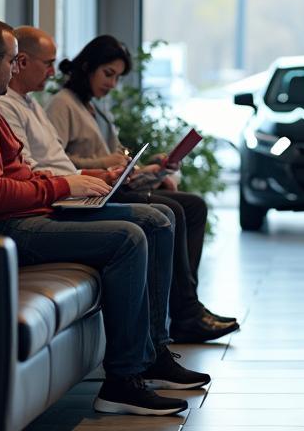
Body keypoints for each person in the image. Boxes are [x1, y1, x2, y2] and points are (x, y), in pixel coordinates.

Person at [0, 16, 200, 417]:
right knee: (128, 237)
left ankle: (150, 354)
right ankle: (123, 379)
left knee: (154, 220)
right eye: (13, 61)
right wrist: (65, 188)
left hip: (20, 214)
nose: (17, 69)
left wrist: (89, 178)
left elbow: (21, 174)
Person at [0, 25, 211, 389]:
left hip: (67, 191)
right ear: (10, 62)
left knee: (164, 215)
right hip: (53, 200)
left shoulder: (30, 104)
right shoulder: (11, 107)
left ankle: (155, 349)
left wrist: (97, 173)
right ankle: (137, 364)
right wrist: (77, 179)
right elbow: (19, 179)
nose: (53, 71)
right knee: (154, 221)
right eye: (46, 64)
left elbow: (53, 164)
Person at [45, 35, 239, 344]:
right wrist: (106, 161)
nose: (113, 83)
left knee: (193, 205)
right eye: (108, 74)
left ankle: (187, 308)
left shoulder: (94, 107)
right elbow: (57, 162)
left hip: (113, 186)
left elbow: (115, 162)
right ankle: (186, 313)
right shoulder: (63, 105)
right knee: (176, 209)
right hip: (92, 194)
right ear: (87, 67)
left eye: (118, 77)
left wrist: (151, 170)